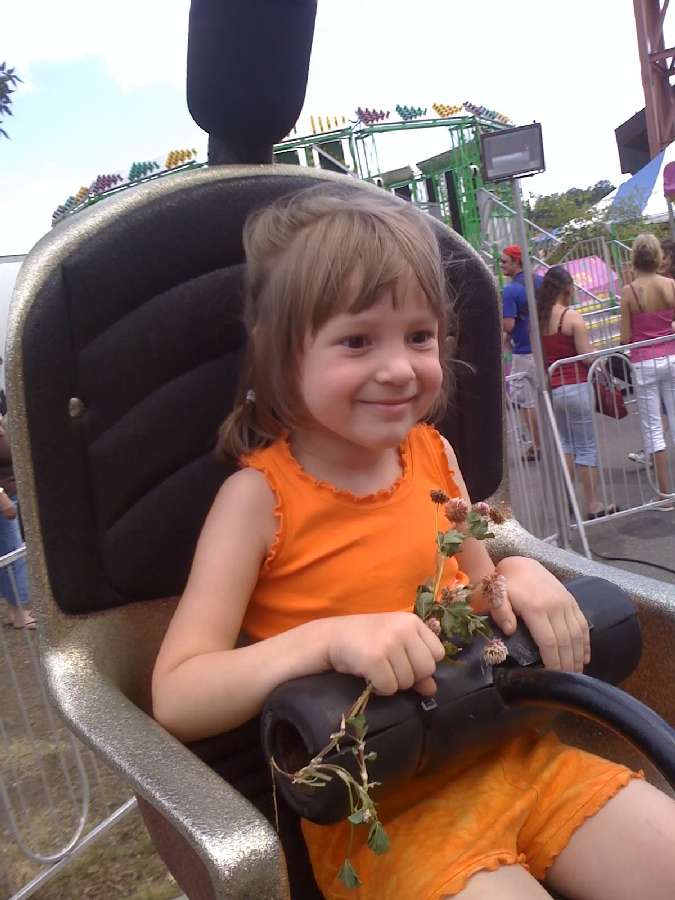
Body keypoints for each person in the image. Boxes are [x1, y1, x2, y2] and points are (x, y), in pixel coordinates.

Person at [152, 188, 675, 900]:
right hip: (389, 813)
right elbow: (179, 691)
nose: (399, 367)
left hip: (515, 753)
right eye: (357, 341)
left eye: (419, 337)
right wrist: (326, 640)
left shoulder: (434, 457)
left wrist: (519, 577)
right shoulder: (256, 500)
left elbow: (484, 594)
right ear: (279, 355)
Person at [538, 267, 608, 518]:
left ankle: (566, 498)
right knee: (586, 446)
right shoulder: (572, 317)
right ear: (566, 287)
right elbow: (586, 356)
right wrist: (599, 355)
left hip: (556, 389)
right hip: (577, 385)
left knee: (567, 445)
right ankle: (593, 503)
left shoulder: (541, 319)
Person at [620, 234, 675, 508]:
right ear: (657, 256)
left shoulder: (629, 292)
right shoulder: (670, 285)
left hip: (644, 362)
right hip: (672, 356)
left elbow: (624, 337)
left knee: (653, 428)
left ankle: (665, 494)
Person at [501, 245, 543, 462]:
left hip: (523, 351)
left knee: (526, 402)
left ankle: (537, 445)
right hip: (544, 347)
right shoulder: (540, 281)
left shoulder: (511, 291)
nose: (501, 265)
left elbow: (508, 325)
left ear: (516, 262)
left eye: (504, 261)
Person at [0, 419, 33, 628]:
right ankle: (20, 612)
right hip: (4, 498)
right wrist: (1, 497)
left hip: (11, 492)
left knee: (8, 555)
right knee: (13, 555)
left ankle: (15, 611)